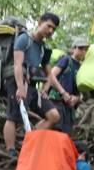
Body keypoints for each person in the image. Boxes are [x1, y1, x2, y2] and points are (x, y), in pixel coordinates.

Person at [4, 12, 61, 157]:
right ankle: (10, 150)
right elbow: (17, 64)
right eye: (48, 26)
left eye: (53, 29)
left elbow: (50, 74)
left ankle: (29, 141)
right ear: (39, 22)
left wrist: (52, 90)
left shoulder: (44, 49)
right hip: (16, 81)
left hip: (32, 86)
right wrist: (20, 88)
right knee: (13, 116)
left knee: (54, 116)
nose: (50, 31)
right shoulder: (24, 39)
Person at [45, 38, 87, 135]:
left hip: (69, 106)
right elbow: (52, 75)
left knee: (66, 134)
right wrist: (63, 92)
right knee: (55, 131)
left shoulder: (82, 68)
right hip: (56, 101)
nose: (82, 51)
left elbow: (81, 92)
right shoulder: (66, 60)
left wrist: (76, 98)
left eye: (85, 49)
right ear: (74, 48)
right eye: (80, 48)